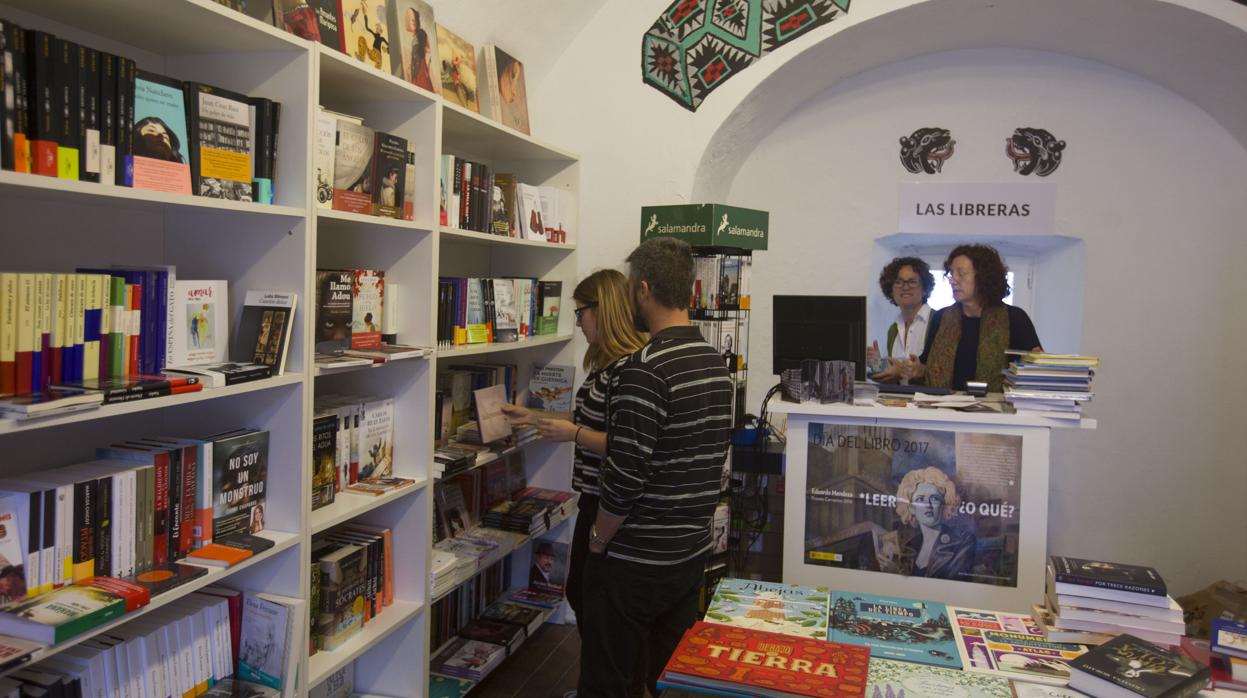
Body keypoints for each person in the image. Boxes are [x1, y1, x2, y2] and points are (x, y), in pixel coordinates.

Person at [578, 237, 734, 698]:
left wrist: (597, 539)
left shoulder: (643, 369)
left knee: (608, 680)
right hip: (688, 553)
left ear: (642, 289)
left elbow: (625, 476)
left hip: (634, 559)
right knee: (667, 676)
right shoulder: (714, 362)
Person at [500, 269, 647, 625]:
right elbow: (589, 416)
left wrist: (573, 434)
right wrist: (533, 416)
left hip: (608, 501)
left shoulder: (628, 370)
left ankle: (605, 682)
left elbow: (627, 443)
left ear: (603, 310)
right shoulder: (605, 364)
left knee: (591, 597)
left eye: (581, 313)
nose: (579, 323)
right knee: (583, 592)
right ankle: (601, 680)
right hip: (593, 495)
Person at [899, 244, 1042, 392]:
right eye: (951, 274)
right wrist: (916, 370)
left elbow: (1032, 374)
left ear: (983, 276)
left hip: (997, 412)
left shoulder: (1015, 318)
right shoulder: (941, 318)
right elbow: (926, 367)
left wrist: (1037, 365)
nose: (953, 280)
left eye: (961, 274)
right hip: (943, 411)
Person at [893, 467, 976, 580]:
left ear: (944, 504)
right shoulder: (909, 546)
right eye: (920, 499)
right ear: (911, 508)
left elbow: (952, 588)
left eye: (934, 498)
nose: (928, 505)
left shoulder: (963, 541)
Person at [868, 257, 935, 383]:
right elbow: (896, 377)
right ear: (891, 290)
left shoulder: (938, 322)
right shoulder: (893, 329)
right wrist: (877, 364)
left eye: (912, 282)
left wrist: (918, 371)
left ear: (925, 288)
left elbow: (943, 372)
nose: (905, 287)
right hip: (901, 400)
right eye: (898, 282)